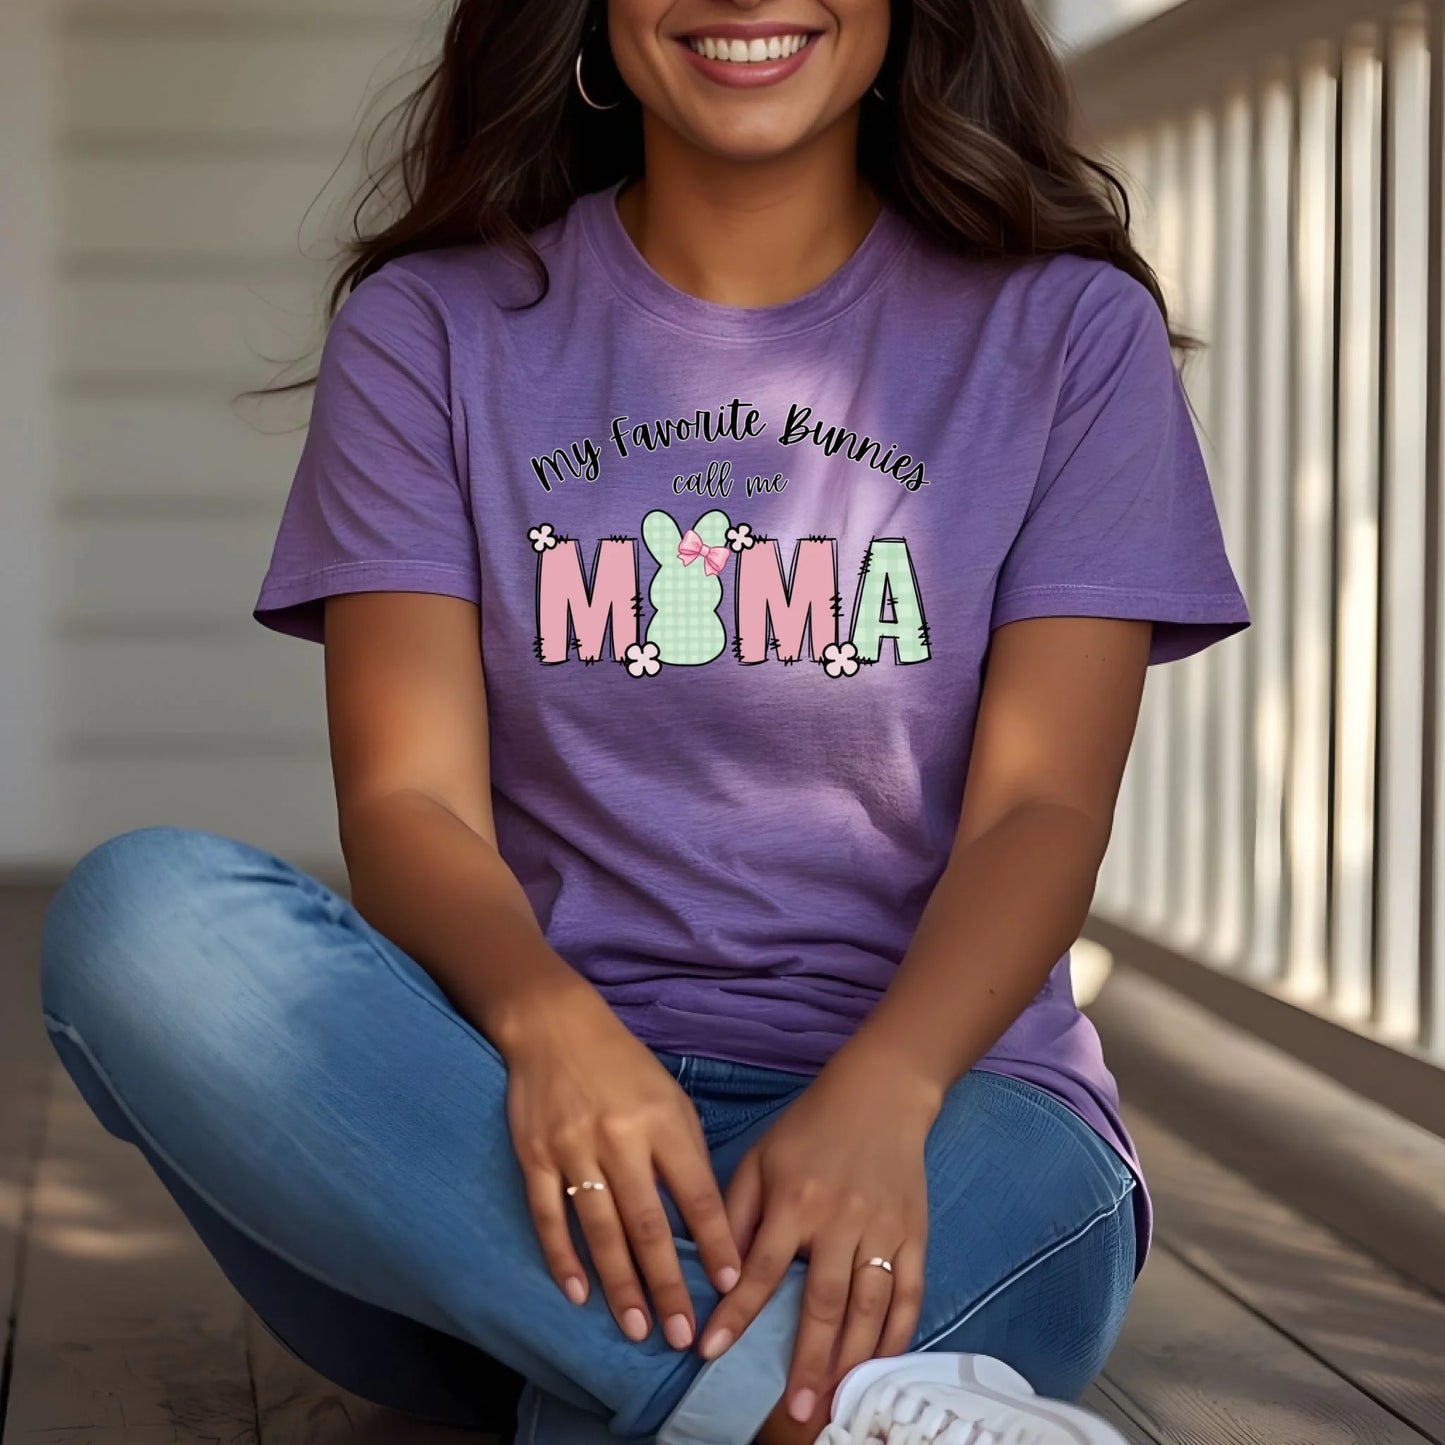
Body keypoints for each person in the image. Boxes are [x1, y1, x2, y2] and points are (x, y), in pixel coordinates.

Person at [37, 0, 1251, 1441]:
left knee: (617, 1397)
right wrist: (551, 1034)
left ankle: (662, 1396)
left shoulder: (1064, 333)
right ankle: (776, 1408)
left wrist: (887, 1088)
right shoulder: (429, 331)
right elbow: (408, 803)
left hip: (946, 1116)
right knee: (139, 915)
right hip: (507, 1140)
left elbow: (1037, 808)